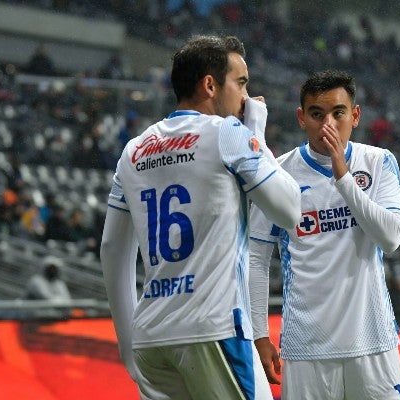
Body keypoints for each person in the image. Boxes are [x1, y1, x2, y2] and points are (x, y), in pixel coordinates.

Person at [100, 34, 301, 400]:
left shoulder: (133, 150)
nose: (246, 97)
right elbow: (289, 210)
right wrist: (256, 133)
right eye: (240, 84)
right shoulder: (228, 132)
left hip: (151, 338)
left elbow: (112, 248)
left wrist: (129, 343)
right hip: (214, 330)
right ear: (210, 85)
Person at [249, 69, 400, 400]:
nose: (328, 125)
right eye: (317, 114)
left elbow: (391, 239)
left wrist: (343, 175)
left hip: (373, 341)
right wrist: (260, 334)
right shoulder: (278, 173)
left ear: (356, 115)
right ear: (301, 118)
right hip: (306, 347)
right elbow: (256, 255)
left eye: (338, 113)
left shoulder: (378, 163)